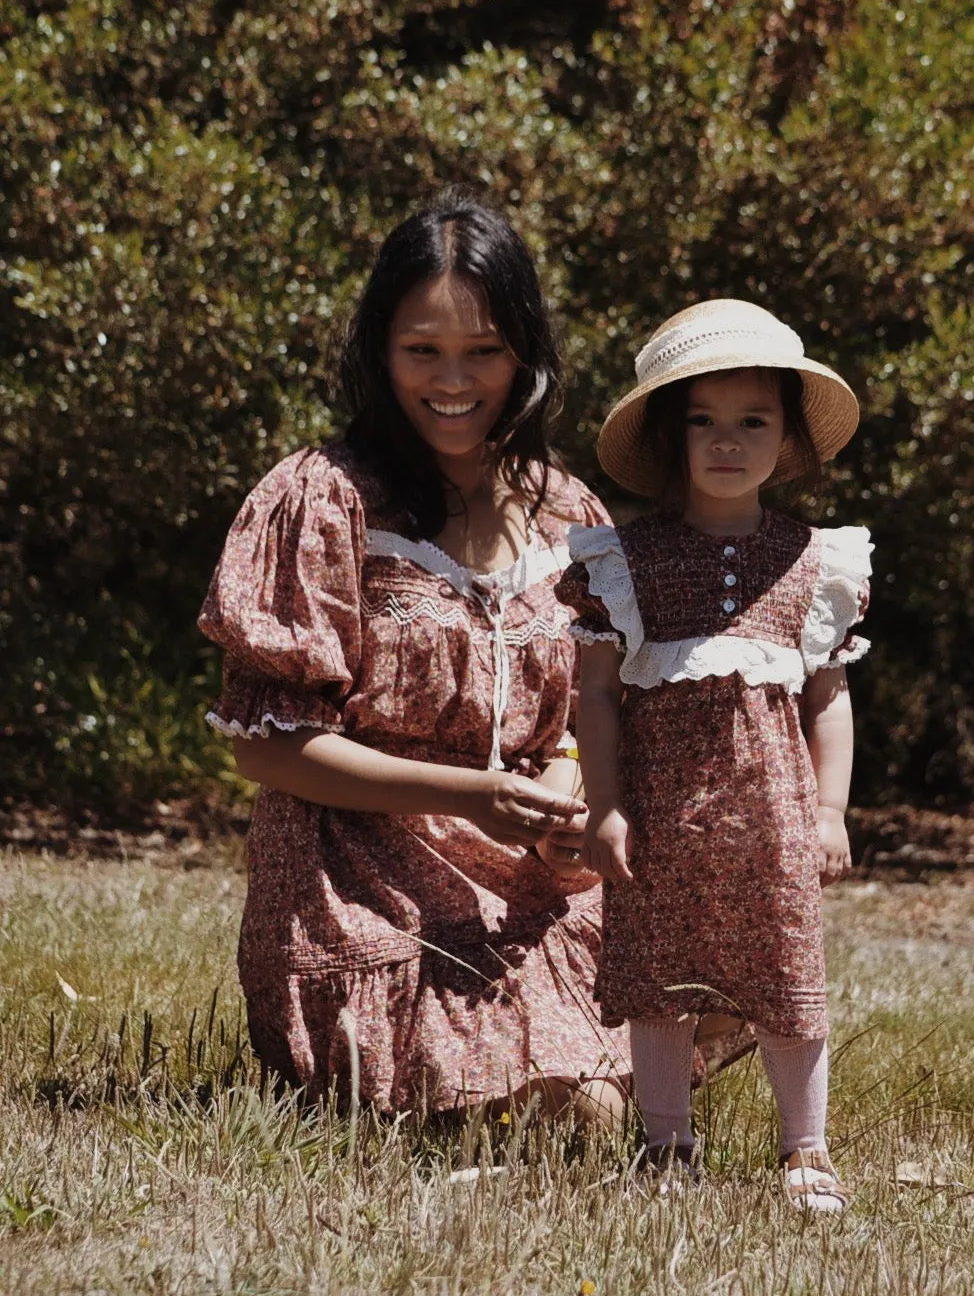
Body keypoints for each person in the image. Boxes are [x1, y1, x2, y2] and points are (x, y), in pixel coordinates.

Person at [198, 189, 631, 1123]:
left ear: (525, 351)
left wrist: (570, 792)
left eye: (483, 350)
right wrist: (469, 795)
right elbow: (263, 746)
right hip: (363, 878)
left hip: (539, 876)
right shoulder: (321, 499)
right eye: (421, 350)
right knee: (580, 1120)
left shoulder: (571, 514)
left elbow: (597, 710)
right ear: (378, 350)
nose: (454, 380)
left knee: (722, 980)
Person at [555, 299, 872, 1208]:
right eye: (702, 420)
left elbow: (829, 699)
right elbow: (599, 699)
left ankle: (804, 1149)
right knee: (658, 978)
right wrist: (604, 804)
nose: (726, 441)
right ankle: (665, 1147)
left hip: (771, 826)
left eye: (752, 421)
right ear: (670, 433)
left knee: (786, 977)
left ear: (788, 439)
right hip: (660, 820)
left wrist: (826, 812)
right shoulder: (627, 560)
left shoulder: (814, 562)